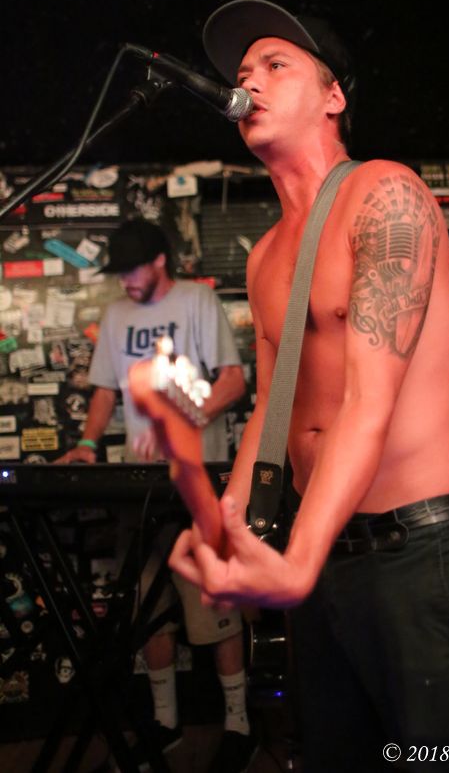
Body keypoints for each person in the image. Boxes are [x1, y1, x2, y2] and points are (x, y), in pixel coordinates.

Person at [163, 0, 449, 772]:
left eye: (275, 64)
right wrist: (231, 525)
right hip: (322, 560)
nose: (249, 81)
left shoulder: (385, 193)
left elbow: (366, 403)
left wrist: (296, 559)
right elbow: (272, 407)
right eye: (244, 72)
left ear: (333, 96)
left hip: (416, 553)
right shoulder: (264, 255)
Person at [57, 218, 255, 773]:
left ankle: (239, 725)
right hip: (138, 486)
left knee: (216, 607)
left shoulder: (197, 301)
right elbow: (104, 391)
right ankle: (165, 724)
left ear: (161, 261)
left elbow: (233, 381)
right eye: (118, 272)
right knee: (149, 608)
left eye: (133, 269)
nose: (125, 281)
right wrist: (87, 444)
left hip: (196, 486)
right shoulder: (116, 315)